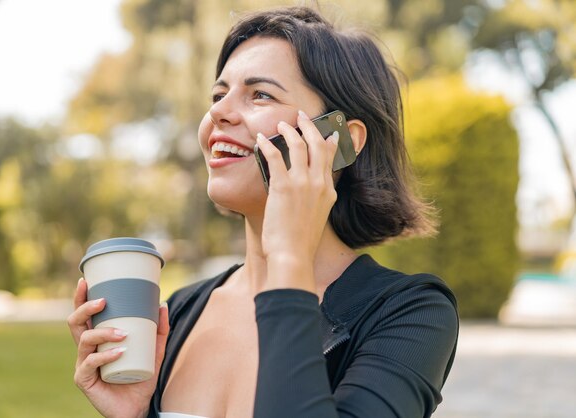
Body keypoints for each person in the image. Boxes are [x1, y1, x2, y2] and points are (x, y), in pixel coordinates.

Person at [67, 6, 459, 418]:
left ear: (338, 140)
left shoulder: (410, 314)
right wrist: (133, 414)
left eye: (260, 94)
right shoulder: (180, 311)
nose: (218, 112)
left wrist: (288, 258)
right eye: (218, 95)